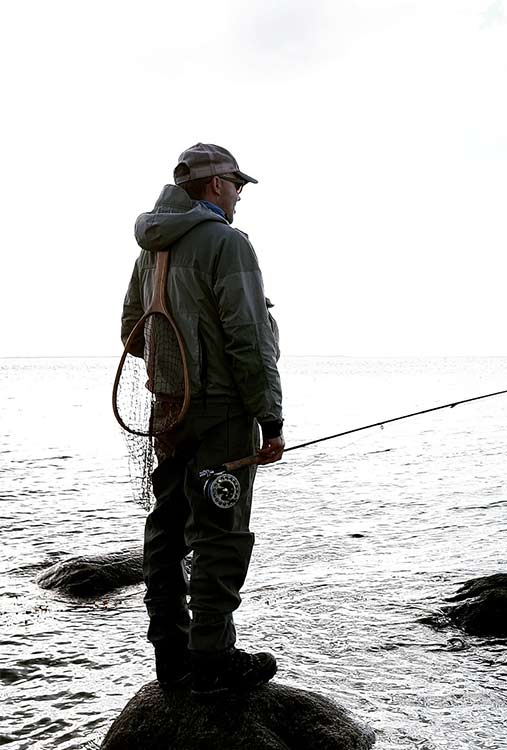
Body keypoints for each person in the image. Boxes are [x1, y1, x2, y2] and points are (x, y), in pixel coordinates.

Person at [121, 143, 285, 698]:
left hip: (167, 412)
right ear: (216, 186)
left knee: (166, 528)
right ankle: (212, 660)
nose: (240, 195)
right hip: (222, 414)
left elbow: (130, 329)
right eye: (237, 184)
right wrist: (271, 417)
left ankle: (171, 658)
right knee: (221, 535)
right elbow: (249, 337)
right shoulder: (227, 243)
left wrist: (177, 369)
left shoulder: (151, 250)